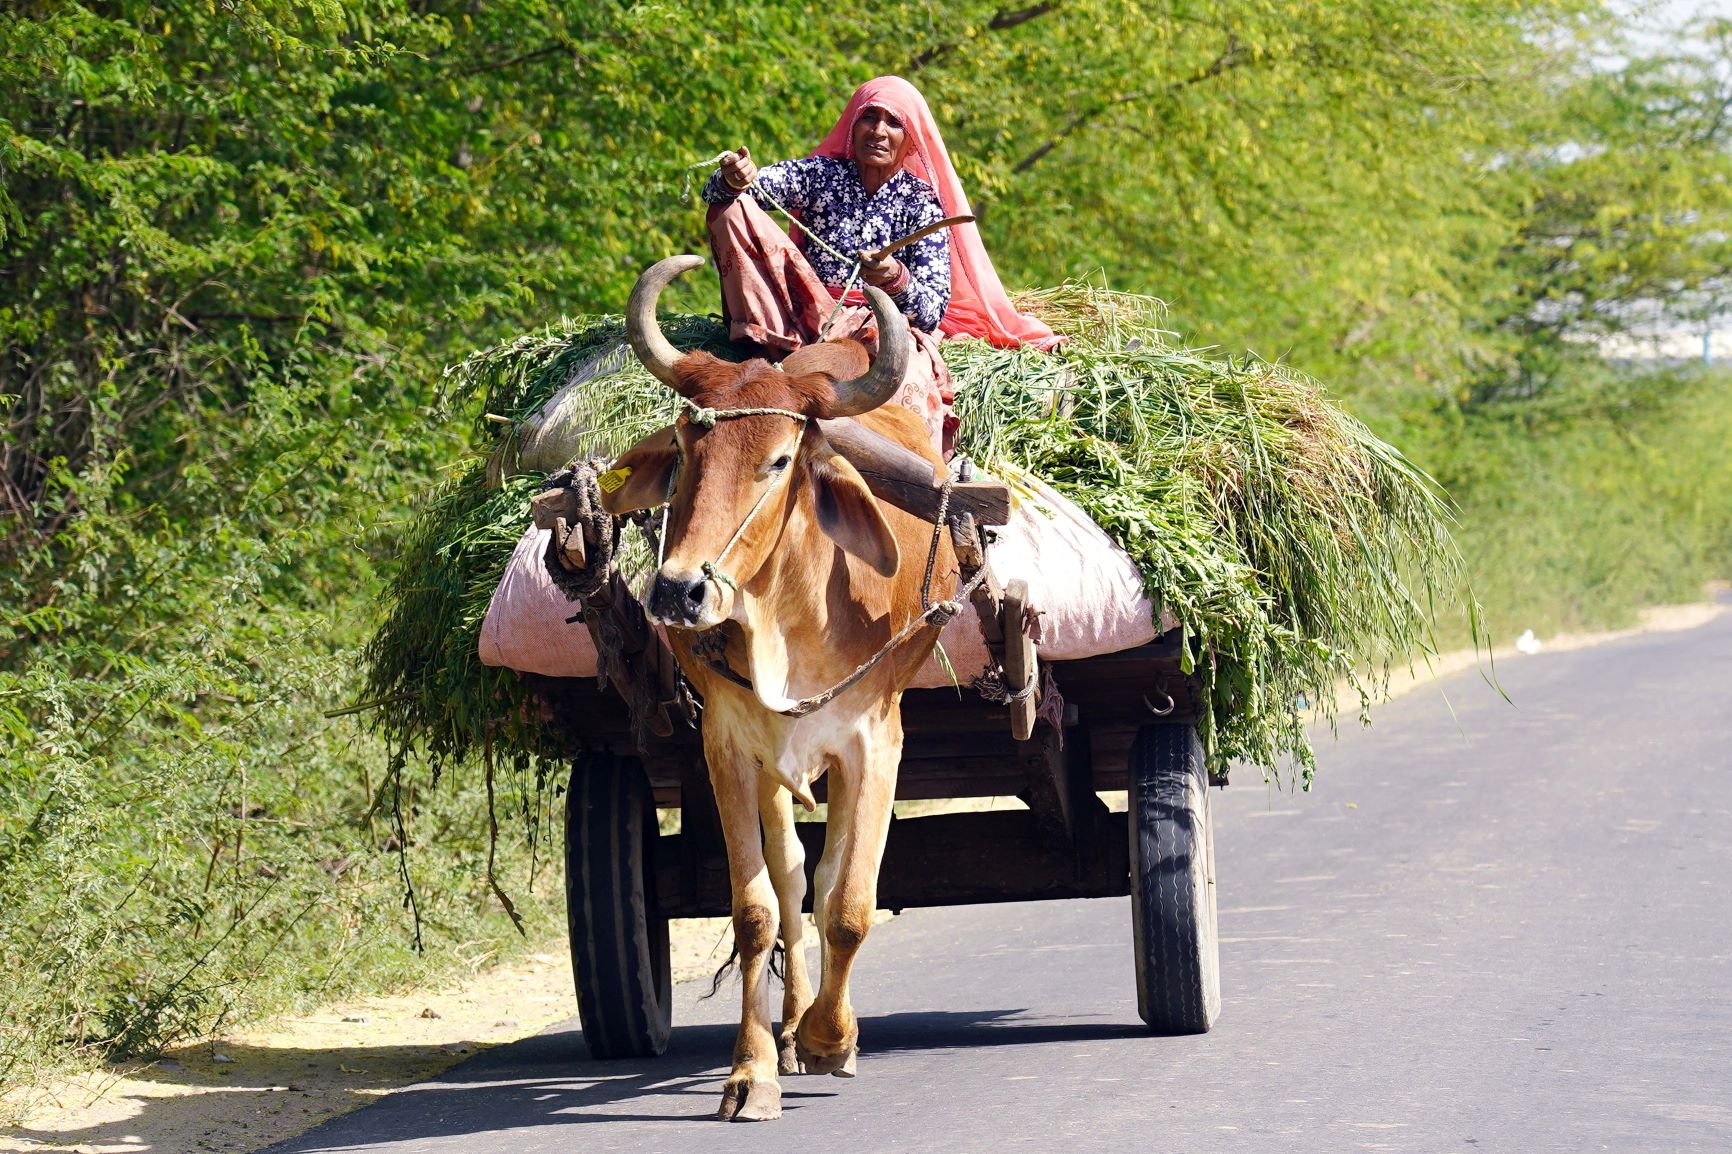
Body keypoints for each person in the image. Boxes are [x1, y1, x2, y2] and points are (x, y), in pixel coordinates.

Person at [701, 75, 1062, 455]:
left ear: (910, 141)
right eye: (868, 118)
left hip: (877, 326)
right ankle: (758, 339)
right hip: (798, 313)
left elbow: (931, 313)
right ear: (851, 127)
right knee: (733, 207)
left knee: (904, 386)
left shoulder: (920, 203)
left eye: (893, 123)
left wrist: (895, 278)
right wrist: (732, 178)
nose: (878, 131)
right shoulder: (819, 175)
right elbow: (721, 194)